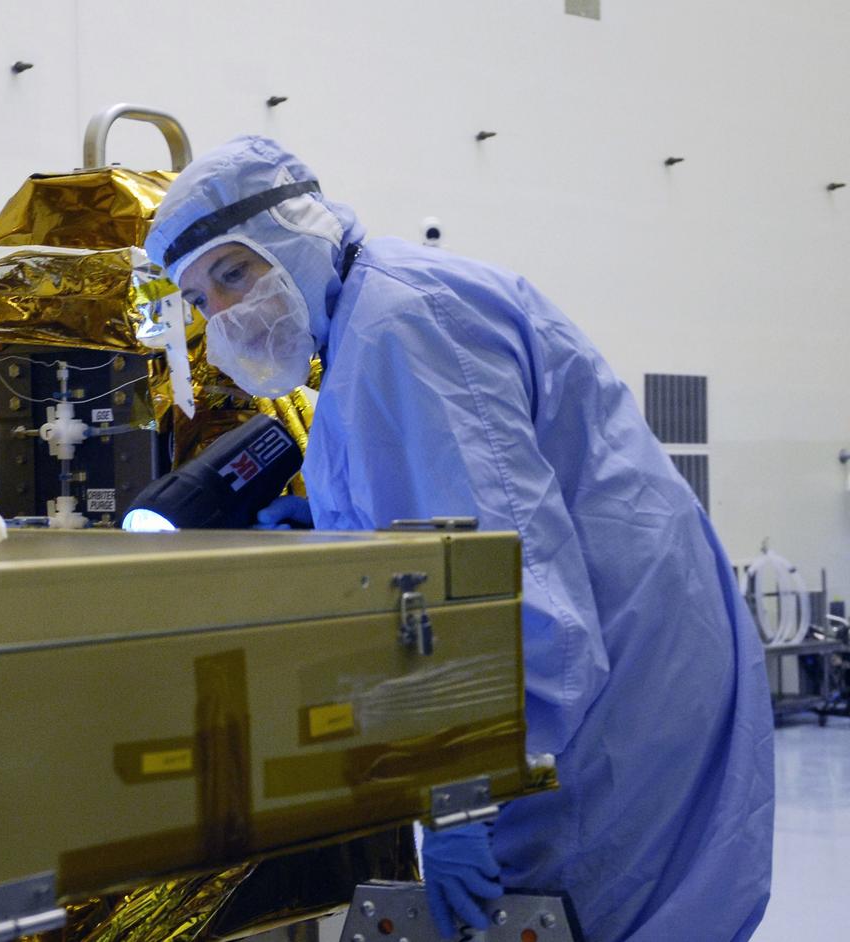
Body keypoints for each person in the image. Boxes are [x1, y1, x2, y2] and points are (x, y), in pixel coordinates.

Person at [143, 136, 774, 942]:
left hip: (607, 702)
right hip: (625, 666)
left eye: (233, 272)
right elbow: (440, 528)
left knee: (593, 906)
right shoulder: (370, 320)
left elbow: (506, 581)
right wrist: (342, 532)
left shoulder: (402, 327)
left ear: (297, 232)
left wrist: (462, 794)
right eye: (200, 299)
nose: (224, 311)